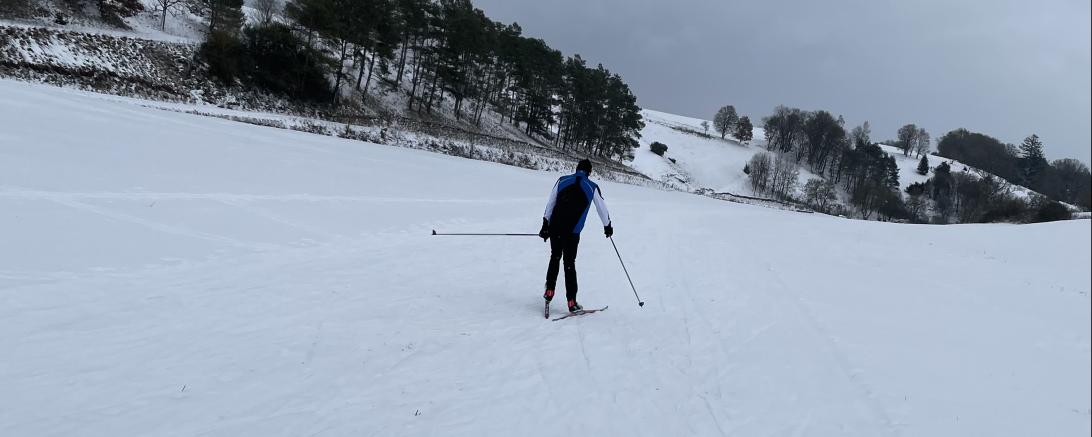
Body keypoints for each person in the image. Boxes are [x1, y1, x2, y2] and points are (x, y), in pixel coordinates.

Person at [539, 159, 613, 313]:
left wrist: (545, 225)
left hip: (555, 228)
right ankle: (571, 302)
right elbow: (602, 208)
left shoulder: (562, 180)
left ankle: (549, 291)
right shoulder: (592, 186)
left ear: (577, 168)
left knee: (555, 257)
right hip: (572, 232)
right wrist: (607, 226)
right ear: (589, 172)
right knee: (569, 263)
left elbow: (551, 202)